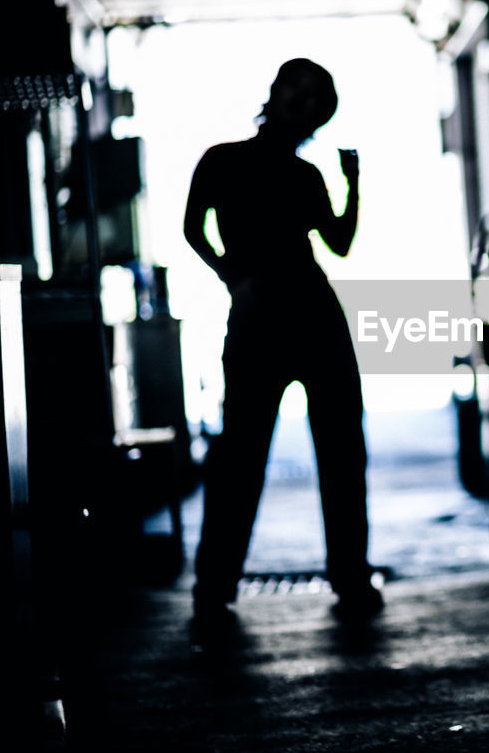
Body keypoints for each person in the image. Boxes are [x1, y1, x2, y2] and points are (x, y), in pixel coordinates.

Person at [183, 58, 381, 627]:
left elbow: (336, 242)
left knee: (258, 454)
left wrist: (352, 183)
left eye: (315, 105)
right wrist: (232, 277)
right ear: (276, 97)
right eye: (303, 100)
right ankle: (341, 576)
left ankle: (218, 585)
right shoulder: (244, 164)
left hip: (286, 315)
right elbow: (194, 228)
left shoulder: (292, 173)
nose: (306, 113)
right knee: (278, 453)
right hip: (283, 314)